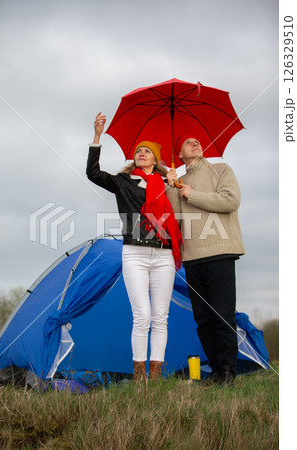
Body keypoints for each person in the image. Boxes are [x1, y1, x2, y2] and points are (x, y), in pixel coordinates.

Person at [86, 113, 183, 381]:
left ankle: (155, 377)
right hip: (135, 253)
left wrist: (174, 183)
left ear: (156, 159)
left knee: (160, 317)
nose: (141, 153)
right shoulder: (123, 182)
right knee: (142, 316)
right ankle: (139, 377)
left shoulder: (168, 183)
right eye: (138, 151)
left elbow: (181, 211)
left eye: (147, 151)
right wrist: (97, 137)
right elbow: (92, 173)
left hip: (164, 255)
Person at [166, 136, 245, 386]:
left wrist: (193, 194)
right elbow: (175, 221)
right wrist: (171, 187)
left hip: (220, 251)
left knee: (223, 316)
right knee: (203, 319)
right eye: (188, 143)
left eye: (197, 141)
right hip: (192, 257)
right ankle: (216, 373)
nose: (195, 143)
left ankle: (228, 374)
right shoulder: (179, 182)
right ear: (179, 154)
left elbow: (231, 201)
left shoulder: (221, 169)